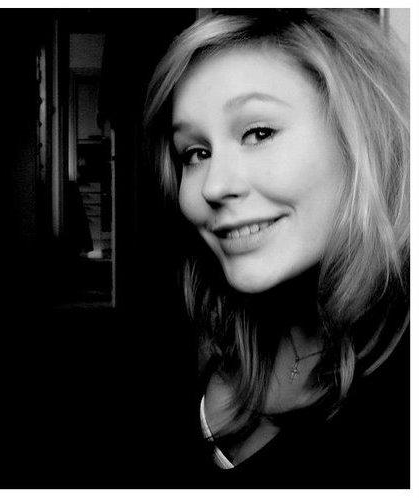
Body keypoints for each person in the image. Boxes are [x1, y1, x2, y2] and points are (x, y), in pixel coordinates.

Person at [144, 9, 409, 488]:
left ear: (360, 138)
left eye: (258, 133)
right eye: (196, 153)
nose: (214, 186)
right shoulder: (195, 332)